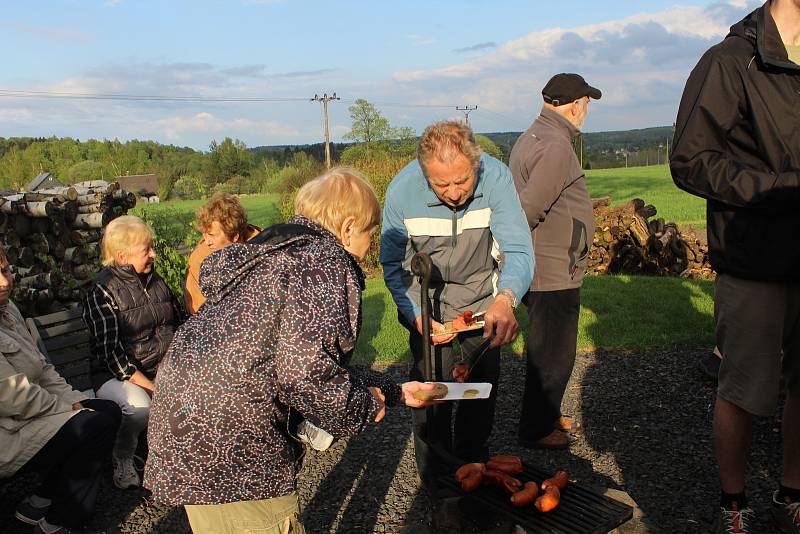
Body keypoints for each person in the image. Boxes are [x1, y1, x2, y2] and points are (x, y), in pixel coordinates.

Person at [143, 168, 437, 534]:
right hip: (233, 445)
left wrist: (392, 391)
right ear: (347, 229)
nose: (368, 247)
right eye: (369, 234)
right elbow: (303, 374)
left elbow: (297, 360)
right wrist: (364, 407)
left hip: (185, 425)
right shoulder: (323, 263)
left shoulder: (273, 255)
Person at [670, 1, 800, 531]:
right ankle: (734, 502)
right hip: (756, 258)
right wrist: (781, 189)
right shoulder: (731, 61)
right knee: (744, 388)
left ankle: (792, 489)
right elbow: (691, 159)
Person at [380, 121, 534, 490]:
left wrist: (506, 299)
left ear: (476, 165)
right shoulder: (402, 191)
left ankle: (473, 468)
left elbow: (518, 250)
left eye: (462, 182)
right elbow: (393, 264)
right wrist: (416, 315)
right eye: (441, 184)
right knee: (431, 395)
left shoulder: (497, 179)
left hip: (483, 301)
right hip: (427, 304)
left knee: (480, 388)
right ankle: (435, 483)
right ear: (424, 173)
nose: (453, 193)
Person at [508, 73, 601, 450]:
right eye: (586, 103)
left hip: (547, 265)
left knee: (546, 348)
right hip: (552, 270)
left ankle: (545, 415)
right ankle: (536, 429)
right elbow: (529, 207)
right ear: (574, 104)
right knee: (554, 355)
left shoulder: (537, 135)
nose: (586, 110)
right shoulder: (557, 146)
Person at [1, 248, 121, 534]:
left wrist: (75, 400)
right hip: (8, 432)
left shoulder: (9, 310)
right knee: (94, 425)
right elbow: (12, 396)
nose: (4, 282)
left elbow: (43, 370)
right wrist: (67, 409)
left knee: (107, 410)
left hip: (30, 415)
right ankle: (62, 522)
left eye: (5, 270)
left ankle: (39, 501)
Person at [82, 215, 184, 490]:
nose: (153, 254)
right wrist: (151, 386)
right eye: (146, 250)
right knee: (140, 408)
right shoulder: (101, 291)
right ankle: (123, 456)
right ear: (122, 255)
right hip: (117, 376)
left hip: (161, 367)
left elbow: (181, 321)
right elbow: (112, 355)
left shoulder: (154, 279)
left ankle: (179, 456)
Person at [184, 192, 262, 314]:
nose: (207, 241)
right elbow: (199, 312)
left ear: (235, 236)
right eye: (204, 234)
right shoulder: (199, 259)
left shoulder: (266, 249)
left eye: (211, 235)